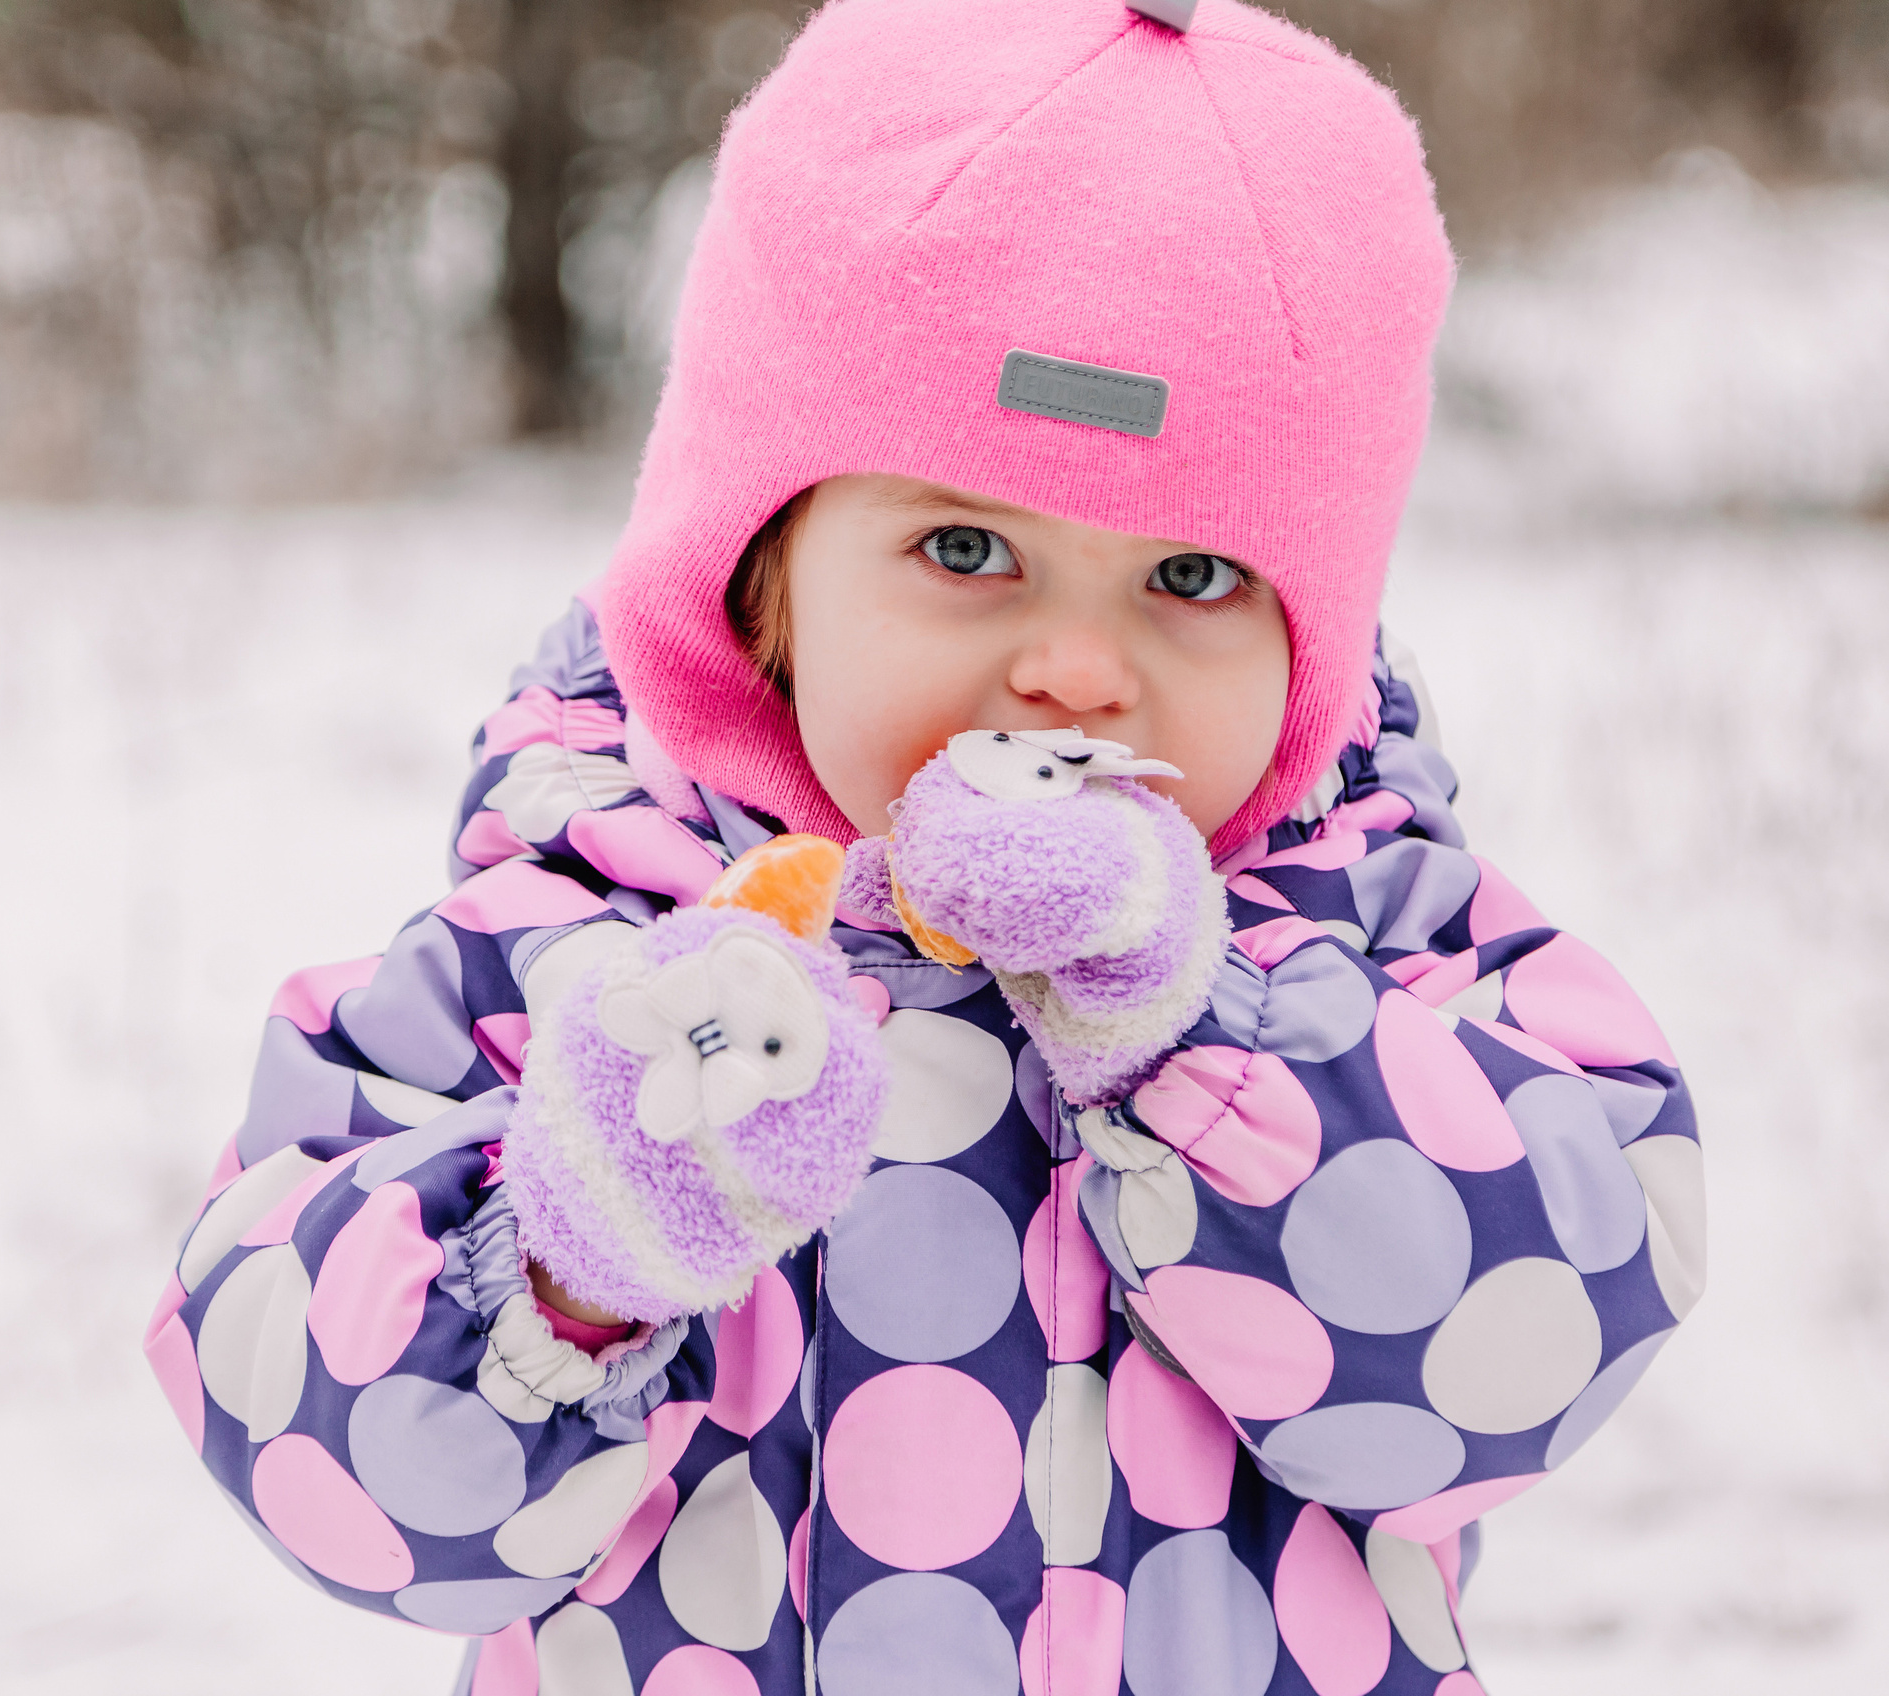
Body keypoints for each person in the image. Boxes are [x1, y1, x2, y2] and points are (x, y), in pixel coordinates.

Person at [143, 0, 1706, 1690]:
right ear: (768, 582)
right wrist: (568, 1261)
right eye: (968, 547)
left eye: (1193, 580)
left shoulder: (1376, 927)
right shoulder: (582, 942)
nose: (1080, 670)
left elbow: (1512, 1368)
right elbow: (339, 1484)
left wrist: (1201, 1037)